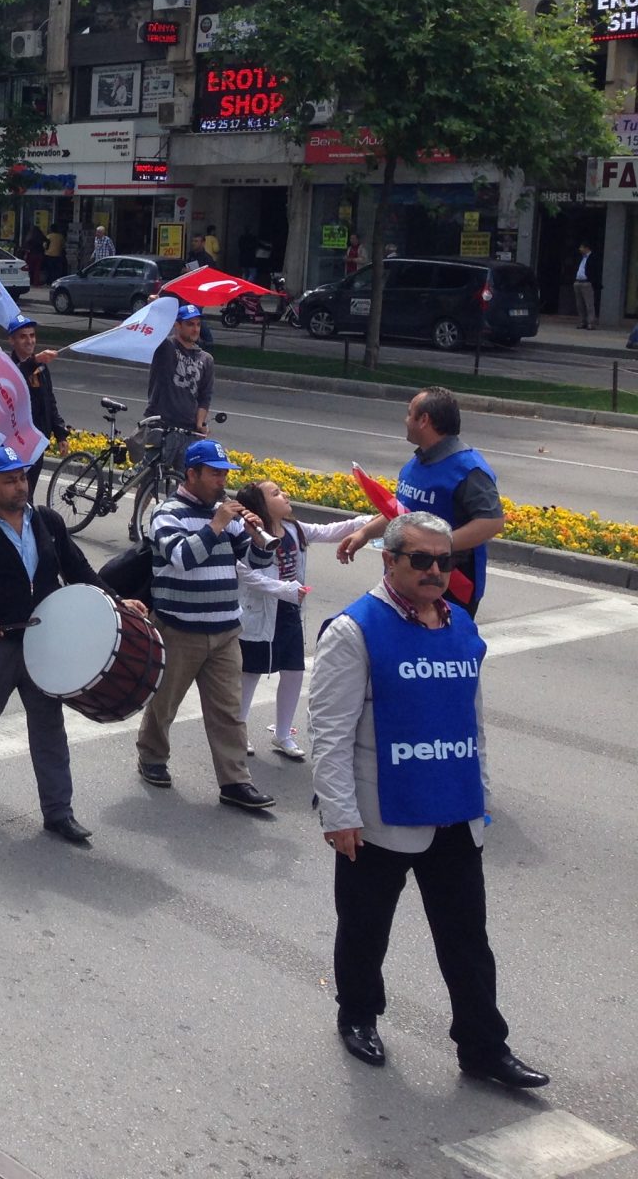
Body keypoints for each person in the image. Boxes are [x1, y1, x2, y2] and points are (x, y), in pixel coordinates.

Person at [310, 511, 549, 1089]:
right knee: (365, 929)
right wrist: (339, 813)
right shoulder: (354, 629)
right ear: (390, 560)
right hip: (379, 816)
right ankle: (359, 1015)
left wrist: (482, 797)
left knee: (468, 940)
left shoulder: (460, 624)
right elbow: (329, 732)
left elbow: (474, 721)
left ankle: (483, 1047)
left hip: (454, 812)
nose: (435, 571)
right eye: (421, 560)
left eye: (444, 561)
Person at [0, 445, 145, 841]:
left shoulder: (47, 521)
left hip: (46, 642)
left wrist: (117, 602)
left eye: (22, 477)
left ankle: (57, 811)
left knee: (49, 727)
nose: (20, 485)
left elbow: (78, 568)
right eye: (9, 480)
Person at [136, 439, 278, 809]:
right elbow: (183, 558)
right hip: (179, 627)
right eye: (215, 473)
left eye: (225, 474)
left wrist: (259, 538)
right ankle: (152, 756)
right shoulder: (167, 513)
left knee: (228, 712)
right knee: (165, 702)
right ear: (192, 473)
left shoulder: (225, 515)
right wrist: (217, 524)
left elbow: (256, 563)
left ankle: (234, 782)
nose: (222, 481)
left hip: (225, 628)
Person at [336, 388, 504, 616]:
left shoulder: (468, 470)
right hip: (405, 582)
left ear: (424, 420)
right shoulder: (417, 462)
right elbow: (401, 513)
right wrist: (364, 533)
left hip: (448, 587)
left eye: (409, 414)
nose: (405, 420)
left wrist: (435, 549)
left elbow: (491, 523)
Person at [232, 480, 367, 760]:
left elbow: (331, 530)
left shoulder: (295, 529)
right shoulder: (250, 535)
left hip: (290, 613)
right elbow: (245, 573)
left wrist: (372, 520)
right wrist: (284, 590)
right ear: (259, 506)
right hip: (260, 615)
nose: (286, 495)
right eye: (276, 493)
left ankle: (283, 734)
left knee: (294, 672)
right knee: (251, 672)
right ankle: (237, 731)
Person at [144, 301, 214, 470]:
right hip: (162, 425)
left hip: (188, 430)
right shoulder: (166, 347)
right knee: (151, 478)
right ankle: (143, 497)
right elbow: (153, 331)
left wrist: (200, 423)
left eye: (198, 324)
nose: (195, 329)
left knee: (186, 481)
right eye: (190, 324)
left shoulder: (206, 359)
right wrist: (155, 307)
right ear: (177, 325)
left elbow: (205, 395)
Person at [5, 315, 69, 445]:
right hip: (16, 440)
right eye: (23, 336)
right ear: (12, 340)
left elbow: (49, 401)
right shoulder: (7, 367)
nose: (29, 341)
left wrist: (60, 435)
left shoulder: (41, 366)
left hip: (38, 439)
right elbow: (18, 374)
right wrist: (34, 361)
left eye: (32, 335)